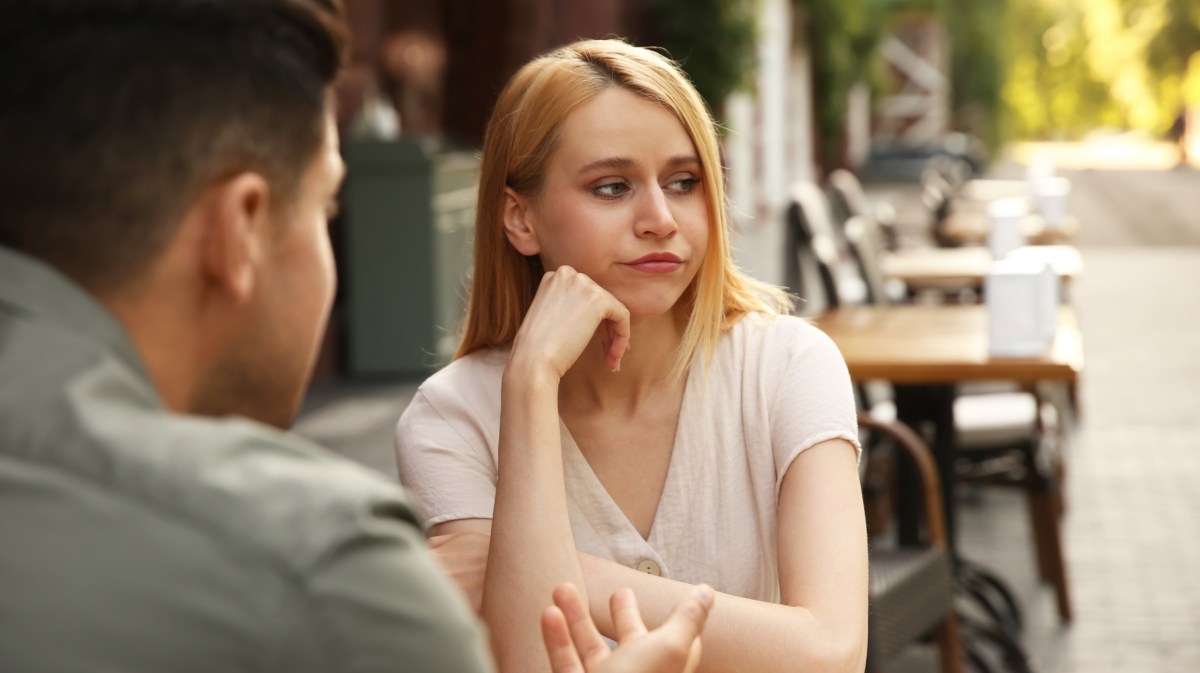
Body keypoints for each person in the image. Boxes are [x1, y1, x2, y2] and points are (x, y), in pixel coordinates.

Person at [0, 3, 710, 672]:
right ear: (239, 228)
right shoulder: (319, 561)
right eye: (326, 204)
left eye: (684, 181)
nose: (659, 216)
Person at [395, 39, 869, 673]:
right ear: (520, 218)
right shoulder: (452, 418)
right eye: (612, 187)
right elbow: (527, 663)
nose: (659, 219)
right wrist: (531, 383)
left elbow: (831, 653)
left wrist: (542, 566)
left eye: (683, 182)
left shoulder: (786, 367)